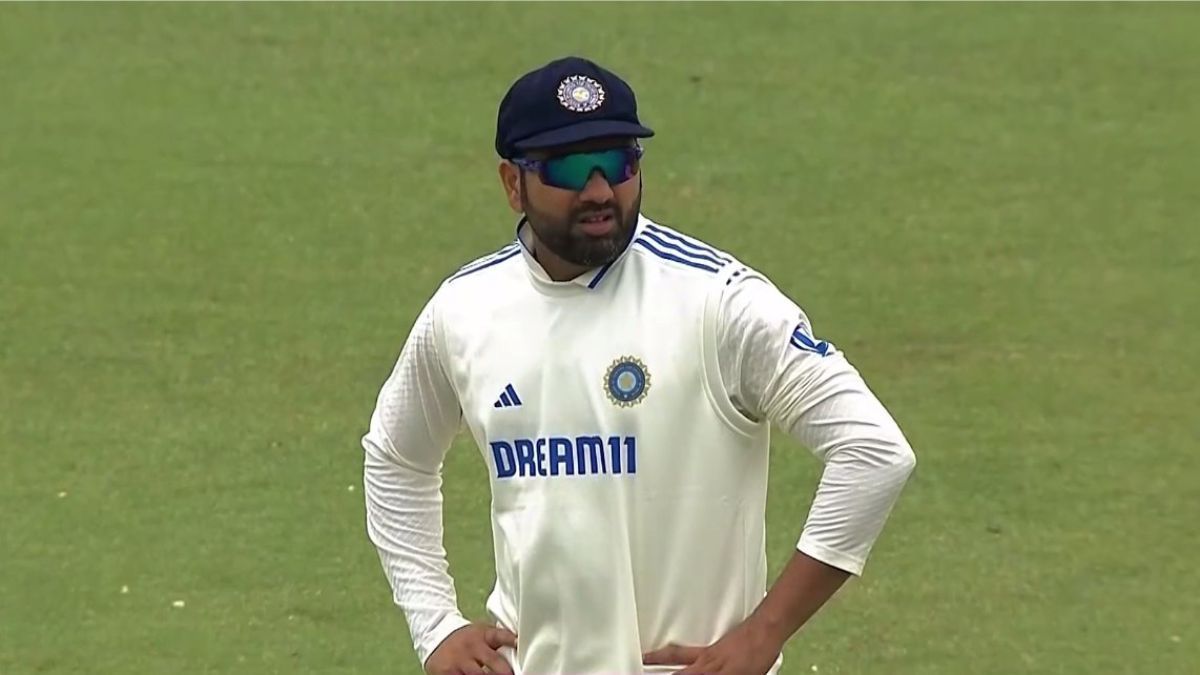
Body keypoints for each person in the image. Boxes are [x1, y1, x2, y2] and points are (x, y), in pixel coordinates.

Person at [361, 55, 917, 675]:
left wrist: (765, 633)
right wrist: (435, 625)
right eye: (570, 167)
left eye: (619, 162)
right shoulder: (464, 311)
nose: (600, 189)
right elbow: (396, 459)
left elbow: (874, 453)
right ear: (512, 184)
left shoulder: (719, 303)